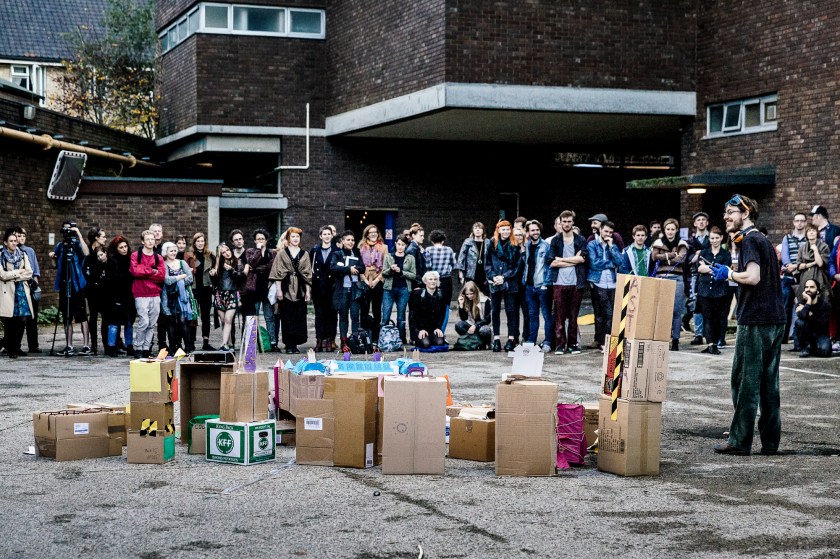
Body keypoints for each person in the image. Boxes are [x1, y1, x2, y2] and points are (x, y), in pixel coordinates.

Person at [711, 194, 785, 456]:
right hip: (775, 319)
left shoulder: (750, 240)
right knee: (769, 384)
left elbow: (753, 277)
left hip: (755, 321)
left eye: (731, 212)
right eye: (725, 212)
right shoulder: (762, 239)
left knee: (745, 382)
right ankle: (770, 443)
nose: (726, 217)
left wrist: (728, 273)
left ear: (745, 213)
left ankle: (740, 441)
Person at [547, 211, 587, 355]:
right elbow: (552, 262)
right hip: (559, 282)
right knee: (559, 316)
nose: (566, 224)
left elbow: (582, 259)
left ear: (573, 222)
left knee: (573, 316)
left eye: (569, 221)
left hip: (576, 282)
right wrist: (573, 260)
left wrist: (562, 259)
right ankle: (560, 345)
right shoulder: (555, 240)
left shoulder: (580, 239)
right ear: (560, 222)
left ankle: (572, 344)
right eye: (564, 221)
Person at [50, 219, 90, 356]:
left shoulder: (77, 244)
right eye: (65, 229)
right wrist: (53, 258)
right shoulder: (60, 246)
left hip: (77, 284)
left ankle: (86, 345)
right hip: (64, 284)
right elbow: (55, 266)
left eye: (70, 229)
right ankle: (69, 345)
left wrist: (78, 234)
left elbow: (86, 253)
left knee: (82, 316)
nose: (67, 231)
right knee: (66, 316)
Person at [270, 227, 312, 354]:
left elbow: (307, 274)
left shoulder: (305, 254)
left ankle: (296, 344)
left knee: (299, 317)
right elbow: (277, 272)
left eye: (297, 236)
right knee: (287, 317)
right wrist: (279, 290)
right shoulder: (282, 254)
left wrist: (308, 292)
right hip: (286, 288)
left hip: (300, 288)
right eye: (293, 236)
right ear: (288, 238)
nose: (295, 239)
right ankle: (289, 344)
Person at [650, 218, 689, 351]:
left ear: (676, 230)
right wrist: (671, 255)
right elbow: (654, 257)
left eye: (673, 229)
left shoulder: (682, 243)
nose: (670, 232)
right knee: (662, 310)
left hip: (677, 278)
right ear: (664, 230)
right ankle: (662, 339)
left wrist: (664, 258)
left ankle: (676, 340)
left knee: (676, 311)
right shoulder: (658, 243)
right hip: (661, 277)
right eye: (668, 229)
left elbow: (681, 259)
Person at [484, 220, 523, 352]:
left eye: (508, 229)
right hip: (494, 281)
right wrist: (493, 276)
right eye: (503, 229)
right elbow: (487, 263)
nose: (505, 231)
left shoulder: (515, 244)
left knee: (511, 311)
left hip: (510, 281)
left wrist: (504, 277)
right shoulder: (491, 243)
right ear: (498, 230)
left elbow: (517, 266)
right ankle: (496, 339)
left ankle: (511, 339)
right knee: (495, 310)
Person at [586, 221, 623, 352]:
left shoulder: (613, 245)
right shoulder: (592, 244)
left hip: (612, 282)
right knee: (602, 313)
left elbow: (619, 261)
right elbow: (594, 263)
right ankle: (602, 341)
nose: (608, 234)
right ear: (600, 230)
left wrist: (612, 247)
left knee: (610, 313)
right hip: (598, 282)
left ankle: (605, 341)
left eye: (610, 232)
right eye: (606, 231)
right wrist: (611, 264)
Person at [695, 227, 731, 355]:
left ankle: (715, 343)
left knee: (717, 318)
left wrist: (707, 267)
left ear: (721, 238)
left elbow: (724, 270)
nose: (714, 240)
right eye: (712, 238)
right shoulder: (704, 252)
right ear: (709, 239)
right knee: (707, 317)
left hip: (720, 290)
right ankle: (710, 344)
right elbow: (699, 269)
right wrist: (713, 268)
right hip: (704, 290)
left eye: (716, 238)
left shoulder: (725, 254)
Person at [129, 230, 166, 358]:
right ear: (142, 241)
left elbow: (161, 275)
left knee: (152, 323)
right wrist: (152, 271)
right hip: (140, 293)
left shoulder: (158, 257)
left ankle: (146, 348)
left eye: (152, 239)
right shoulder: (135, 256)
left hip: (155, 293)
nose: (150, 241)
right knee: (144, 321)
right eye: (148, 239)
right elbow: (135, 271)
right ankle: (138, 347)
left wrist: (145, 273)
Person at [1, 228, 34, 358]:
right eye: (11, 241)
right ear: (5, 243)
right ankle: (11, 349)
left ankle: (17, 346)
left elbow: (29, 272)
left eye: (15, 241)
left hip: (21, 291)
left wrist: (14, 276)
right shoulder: (1, 256)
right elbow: (2, 275)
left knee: (22, 320)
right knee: (10, 321)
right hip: (8, 292)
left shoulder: (22, 254)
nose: (14, 243)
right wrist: (18, 272)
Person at [243, 229, 278, 350]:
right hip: (254, 288)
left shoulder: (272, 253)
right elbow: (252, 263)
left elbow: (272, 266)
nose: (260, 241)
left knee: (269, 317)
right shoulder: (250, 251)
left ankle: (273, 342)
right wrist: (258, 251)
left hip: (267, 287)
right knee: (254, 316)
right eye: (258, 239)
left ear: (266, 240)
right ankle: (253, 343)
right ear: (254, 240)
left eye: (262, 239)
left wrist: (257, 268)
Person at [522, 220, 553, 352]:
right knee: (532, 315)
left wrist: (546, 284)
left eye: (537, 230)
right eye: (533, 230)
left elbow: (550, 266)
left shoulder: (546, 246)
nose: (535, 232)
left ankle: (547, 341)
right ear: (528, 232)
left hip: (542, 286)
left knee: (547, 315)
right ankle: (531, 340)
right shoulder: (527, 245)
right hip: (529, 286)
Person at [160, 241, 195, 353]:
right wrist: (181, 276)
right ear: (165, 252)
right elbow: (167, 280)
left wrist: (178, 280)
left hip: (182, 298)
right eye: (171, 251)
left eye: (175, 250)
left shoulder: (182, 263)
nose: (173, 253)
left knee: (183, 321)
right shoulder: (163, 264)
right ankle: (173, 348)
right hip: (168, 298)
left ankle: (187, 347)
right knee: (170, 322)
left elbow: (190, 278)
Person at [779, 213, 808, 346]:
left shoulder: (808, 239)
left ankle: (798, 339)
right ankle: (783, 337)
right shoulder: (787, 238)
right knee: (786, 307)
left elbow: (808, 258)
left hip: (803, 278)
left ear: (806, 223)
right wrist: (791, 267)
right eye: (797, 220)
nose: (799, 223)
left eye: (802, 221)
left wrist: (797, 267)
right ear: (794, 223)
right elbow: (785, 258)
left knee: (802, 307)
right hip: (788, 277)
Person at [381, 234, 416, 344]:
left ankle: (400, 339)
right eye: (399, 244)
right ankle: (383, 339)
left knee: (401, 317)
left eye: (403, 245)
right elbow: (383, 273)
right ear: (395, 244)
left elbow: (413, 275)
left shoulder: (410, 258)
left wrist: (401, 272)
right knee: (385, 315)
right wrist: (391, 270)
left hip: (404, 289)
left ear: (406, 246)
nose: (400, 247)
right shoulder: (389, 256)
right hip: (389, 289)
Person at [103, 236, 135, 357]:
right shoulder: (112, 262)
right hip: (115, 295)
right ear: (116, 249)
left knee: (128, 323)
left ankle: (129, 346)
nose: (124, 249)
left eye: (125, 246)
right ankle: (111, 347)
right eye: (121, 247)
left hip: (129, 294)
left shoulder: (130, 260)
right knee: (114, 322)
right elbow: (110, 281)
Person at [330, 230, 363, 345]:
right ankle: (343, 341)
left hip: (355, 289)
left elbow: (362, 268)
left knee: (355, 316)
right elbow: (333, 268)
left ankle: (355, 340)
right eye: (348, 240)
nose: (351, 242)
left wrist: (355, 269)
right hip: (342, 289)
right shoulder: (337, 254)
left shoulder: (357, 252)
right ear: (343, 241)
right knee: (343, 316)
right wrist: (349, 269)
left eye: (352, 240)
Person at [185, 233, 216, 351]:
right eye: (198, 241)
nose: (200, 243)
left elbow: (215, 269)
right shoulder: (189, 255)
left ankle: (206, 342)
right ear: (194, 243)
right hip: (193, 288)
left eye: (202, 241)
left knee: (206, 316)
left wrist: (214, 273)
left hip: (206, 288)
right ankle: (191, 342)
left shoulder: (210, 256)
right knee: (193, 316)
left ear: (205, 242)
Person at [310, 226, 339, 352]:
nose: (327, 236)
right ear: (320, 236)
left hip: (332, 286)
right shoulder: (314, 251)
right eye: (324, 234)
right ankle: (319, 340)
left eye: (329, 234)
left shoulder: (337, 250)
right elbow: (310, 268)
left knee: (332, 314)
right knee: (319, 314)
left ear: (332, 236)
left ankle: (330, 340)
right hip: (318, 287)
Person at [210, 242, 243, 352]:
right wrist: (212, 274)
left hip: (232, 293)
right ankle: (229, 343)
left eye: (227, 250)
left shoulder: (236, 262)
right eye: (223, 252)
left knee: (228, 319)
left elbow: (240, 278)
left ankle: (223, 344)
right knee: (223, 320)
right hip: (220, 294)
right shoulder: (217, 264)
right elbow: (215, 282)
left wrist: (232, 270)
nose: (227, 253)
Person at [358, 224, 388, 341]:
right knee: (364, 310)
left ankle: (376, 338)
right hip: (364, 281)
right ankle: (364, 337)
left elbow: (385, 267)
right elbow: (359, 265)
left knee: (377, 310)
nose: (373, 234)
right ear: (367, 234)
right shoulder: (361, 247)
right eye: (371, 232)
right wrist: (365, 280)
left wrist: (376, 280)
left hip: (378, 281)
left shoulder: (384, 247)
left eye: (375, 232)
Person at [14, 227, 41, 353]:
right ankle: (15, 345)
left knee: (32, 317)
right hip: (19, 286)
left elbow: (35, 271)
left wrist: (36, 286)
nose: (22, 238)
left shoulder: (30, 251)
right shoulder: (13, 251)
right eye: (19, 236)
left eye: (24, 236)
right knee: (19, 318)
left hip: (30, 285)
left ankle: (33, 345)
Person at [424, 229, 457, 330]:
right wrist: (448, 269)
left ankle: (433, 330)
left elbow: (428, 265)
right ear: (443, 241)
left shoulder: (428, 250)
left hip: (433, 280)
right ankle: (442, 330)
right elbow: (454, 264)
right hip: (446, 280)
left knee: (433, 305)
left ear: (432, 240)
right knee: (445, 306)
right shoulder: (449, 250)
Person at [688, 211, 711, 346]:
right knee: (696, 303)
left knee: (709, 303)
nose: (701, 222)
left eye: (703, 219)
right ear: (695, 223)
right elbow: (689, 259)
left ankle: (709, 332)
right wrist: (696, 256)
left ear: (707, 222)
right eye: (698, 220)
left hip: (709, 273)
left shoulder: (712, 238)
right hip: (695, 274)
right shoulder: (691, 241)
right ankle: (698, 334)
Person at [793, 279, 832, 358]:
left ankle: (813, 348)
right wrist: (809, 301)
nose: (808, 289)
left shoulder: (825, 305)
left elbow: (822, 325)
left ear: (817, 291)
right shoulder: (801, 303)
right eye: (806, 287)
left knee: (825, 352)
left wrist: (810, 314)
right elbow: (802, 316)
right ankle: (804, 348)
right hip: (806, 335)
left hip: (820, 334)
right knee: (799, 322)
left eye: (811, 287)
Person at [409, 271, 447, 348]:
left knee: (439, 343)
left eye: (435, 279)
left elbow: (442, 313)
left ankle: (432, 337)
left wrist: (438, 328)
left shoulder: (441, 294)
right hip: (420, 327)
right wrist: (421, 329)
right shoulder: (418, 294)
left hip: (433, 327)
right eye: (430, 279)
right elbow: (415, 313)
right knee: (426, 344)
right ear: (425, 281)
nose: (433, 281)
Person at [82, 246, 109, 355]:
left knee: (105, 320)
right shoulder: (93, 263)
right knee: (93, 318)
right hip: (93, 294)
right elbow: (90, 278)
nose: (100, 257)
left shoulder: (110, 264)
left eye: (101, 255)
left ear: (105, 253)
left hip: (105, 295)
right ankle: (94, 344)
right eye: (98, 256)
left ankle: (106, 344)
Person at [795, 224, 831, 303]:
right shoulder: (802, 248)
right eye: (809, 231)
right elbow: (798, 265)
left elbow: (820, 263)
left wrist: (815, 250)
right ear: (806, 234)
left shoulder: (824, 246)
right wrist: (810, 264)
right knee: (804, 300)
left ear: (817, 233)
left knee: (820, 300)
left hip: (819, 276)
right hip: (805, 277)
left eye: (813, 231)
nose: (811, 232)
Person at [455, 281, 492, 348]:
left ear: (476, 292)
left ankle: (484, 342)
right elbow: (464, 318)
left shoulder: (485, 300)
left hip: (482, 325)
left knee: (484, 330)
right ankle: (473, 341)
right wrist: (461, 305)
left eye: (471, 294)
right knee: (459, 325)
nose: (469, 296)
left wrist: (475, 325)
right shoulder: (465, 300)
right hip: (471, 324)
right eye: (467, 294)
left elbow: (487, 320)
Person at [455, 222, 488, 295]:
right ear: (473, 230)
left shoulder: (487, 242)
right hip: (471, 273)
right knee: (470, 294)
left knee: (484, 295)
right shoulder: (468, 242)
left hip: (484, 273)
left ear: (483, 231)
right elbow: (461, 257)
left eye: (480, 228)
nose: (477, 230)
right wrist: (461, 272)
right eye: (475, 228)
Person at [512, 228, 530, 344]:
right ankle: (514, 336)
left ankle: (526, 336)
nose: (518, 237)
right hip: (513, 284)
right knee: (514, 313)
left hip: (525, 285)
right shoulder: (510, 249)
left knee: (527, 313)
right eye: (516, 235)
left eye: (520, 235)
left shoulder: (528, 249)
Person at [405, 224, 426, 289]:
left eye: (423, 236)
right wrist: (418, 283)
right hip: (416, 284)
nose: (423, 238)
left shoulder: (417, 247)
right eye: (421, 236)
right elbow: (412, 269)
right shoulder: (412, 249)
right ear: (413, 235)